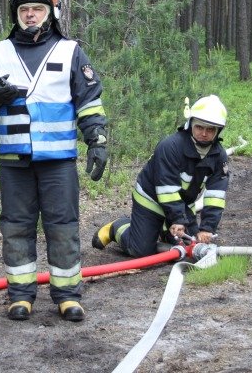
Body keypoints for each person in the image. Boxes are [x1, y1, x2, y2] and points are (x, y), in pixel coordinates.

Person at [0, 0, 108, 323]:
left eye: (37, 9)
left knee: (63, 226)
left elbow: (89, 101)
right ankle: (20, 296)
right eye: (24, 9)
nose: (30, 15)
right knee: (16, 226)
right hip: (14, 162)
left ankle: (68, 295)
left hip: (59, 162)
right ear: (15, 14)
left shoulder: (70, 52)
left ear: (51, 13)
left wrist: (97, 141)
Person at [92, 95, 229, 257]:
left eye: (210, 129)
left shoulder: (219, 157)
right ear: (190, 124)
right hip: (151, 200)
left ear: (218, 131)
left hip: (182, 204)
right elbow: (167, 188)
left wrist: (207, 228)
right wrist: (178, 220)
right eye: (199, 127)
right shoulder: (170, 146)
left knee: (191, 247)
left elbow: (216, 196)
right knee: (141, 250)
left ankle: (165, 230)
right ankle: (118, 227)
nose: (204, 133)